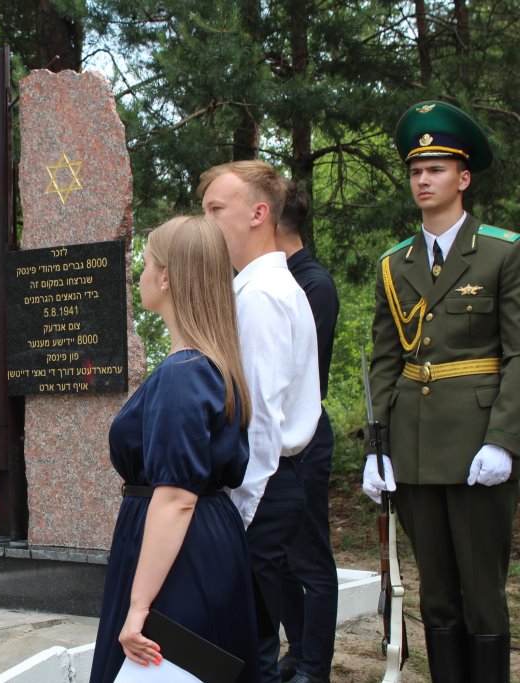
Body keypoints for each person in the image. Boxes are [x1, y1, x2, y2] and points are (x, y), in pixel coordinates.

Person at [362, 100, 519, 683]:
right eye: (414, 170)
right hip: (415, 447)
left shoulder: (504, 251)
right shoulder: (394, 264)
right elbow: (384, 361)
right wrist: (376, 448)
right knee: (435, 595)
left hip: (479, 444)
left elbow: (518, 353)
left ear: (464, 177)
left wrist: (504, 438)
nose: (422, 180)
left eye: (435, 168)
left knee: (482, 592)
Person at [90, 216, 260, 683]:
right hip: (204, 540)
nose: (139, 276)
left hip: (178, 550)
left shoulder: (184, 373)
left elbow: (176, 497)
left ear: (166, 276)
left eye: (144, 265)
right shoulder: (211, 363)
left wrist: (138, 606)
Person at [199, 161, 321, 683]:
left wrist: (237, 512)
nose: (205, 223)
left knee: (251, 643)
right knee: (250, 639)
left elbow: (260, 419)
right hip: (271, 482)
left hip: (262, 486)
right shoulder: (257, 289)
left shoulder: (264, 296)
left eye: (215, 210)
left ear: (258, 213)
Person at [273, 180, 340, 683]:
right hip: (272, 437)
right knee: (273, 559)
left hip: (304, 437)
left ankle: (313, 667)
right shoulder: (266, 280)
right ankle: (297, 649)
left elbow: (295, 372)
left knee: (309, 557)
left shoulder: (311, 284)